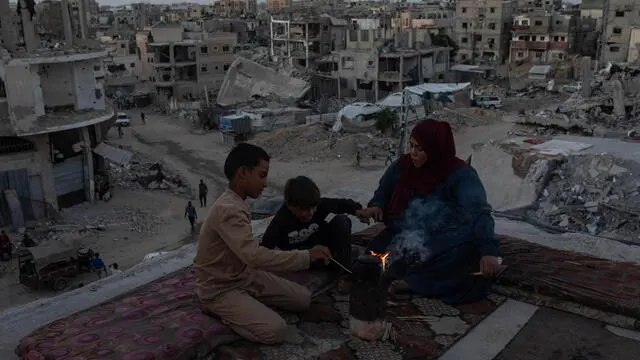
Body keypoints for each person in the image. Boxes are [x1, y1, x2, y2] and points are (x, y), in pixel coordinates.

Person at [195, 143, 331, 345]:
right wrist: (307, 256)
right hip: (220, 287)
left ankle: (247, 302)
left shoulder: (237, 202)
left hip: (243, 275)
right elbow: (254, 256)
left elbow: (250, 257)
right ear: (242, 172)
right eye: (262, 175)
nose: (265, 183)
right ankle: (218, 310)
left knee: (303, 299)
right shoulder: (229, 209)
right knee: (275, 331)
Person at [359, 119, 501, 305]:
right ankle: (404, 273)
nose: (413, 153)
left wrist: (489, 251)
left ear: (435, 149)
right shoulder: (402, 166)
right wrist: (376, 206)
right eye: (411, 146)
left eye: (420, 148)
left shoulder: (461, 175)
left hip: (446, 239)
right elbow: (382, 193)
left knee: (464, 259)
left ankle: (413, 282)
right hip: (406, 234)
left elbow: (480, 213)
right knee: (373, 256)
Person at [261, 176, 364, 272]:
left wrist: (358, 211)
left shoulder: (318, 206)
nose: (311, 212)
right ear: (290, 206)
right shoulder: (281, 220)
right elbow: (265, 250)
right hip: (304, 255)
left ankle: (344, 273)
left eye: (313, 207)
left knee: (342, 221)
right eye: (305, 209)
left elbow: (341, 204)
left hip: (325, 248)